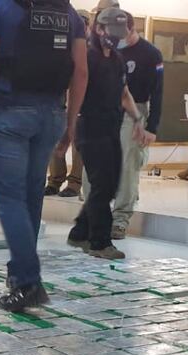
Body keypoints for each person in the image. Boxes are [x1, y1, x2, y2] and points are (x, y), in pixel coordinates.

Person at [0, 0, 88, 311]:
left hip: (10, 113)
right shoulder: (69, 13)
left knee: (9, 198)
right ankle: (20, 273)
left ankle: (29, 282)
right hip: (52, 113)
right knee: (32, 194)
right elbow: (81, 72)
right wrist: (71, 122)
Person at [66, 8, 148, 260]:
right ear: (98, 29)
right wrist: (68, 128)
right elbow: (73, 92)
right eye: (111, 31)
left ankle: (80, 232)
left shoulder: (117, 60)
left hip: (112, 127)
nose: (115, 37)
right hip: (90, 127)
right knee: (102, 185)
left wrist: (137, 119)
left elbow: (124, 93)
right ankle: (100, 242)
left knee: (111, 185)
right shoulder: (87, 58)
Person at [110, 12, 163, 240]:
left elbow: (158, 92)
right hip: (107, 109)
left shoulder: (151, 53)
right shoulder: (109, 49)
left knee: (128, 162)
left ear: (132, 29)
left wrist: (152, 126)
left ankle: (120, 218)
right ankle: (94, 214)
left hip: (135, 110)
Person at [44, 11, 90, 199]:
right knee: (54, 141)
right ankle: (55, 180)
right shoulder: (61, 43)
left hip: (82, 102)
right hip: (59, 99)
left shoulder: (91, 48)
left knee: (79, 143)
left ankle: (74, 183)